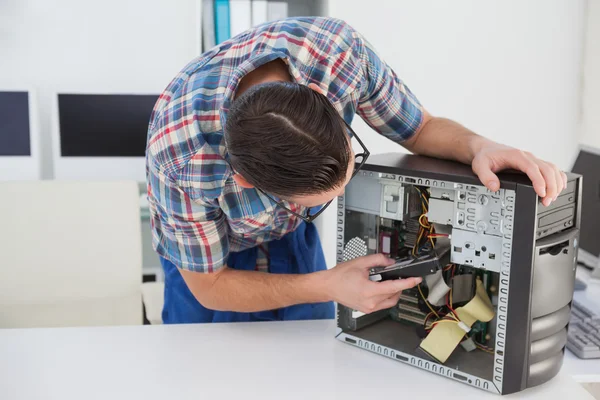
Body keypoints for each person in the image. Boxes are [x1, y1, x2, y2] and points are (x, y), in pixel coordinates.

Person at [146, 17, 567, 324]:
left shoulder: (336, 56)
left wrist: (482, 146)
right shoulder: (181, 156)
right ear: (243, 181)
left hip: (290, 239)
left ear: (319, 96)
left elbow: (420, 129)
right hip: (205, 266)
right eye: (315, 204)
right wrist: (328, 284)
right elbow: (212, 285)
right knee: (206, 374)